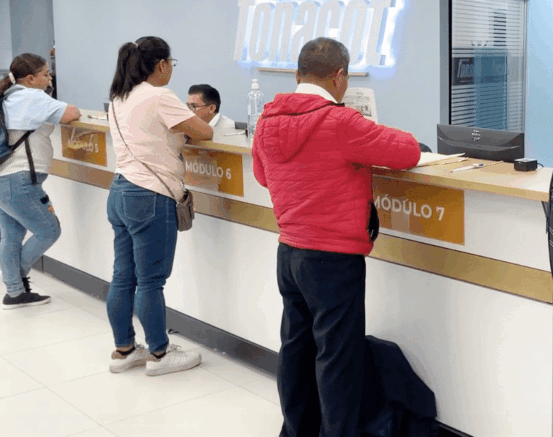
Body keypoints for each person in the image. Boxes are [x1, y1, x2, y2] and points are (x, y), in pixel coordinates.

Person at [252, 37, 420, 437]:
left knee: (296, 349)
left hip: (289, 251)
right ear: (339, 76)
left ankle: (296, 431)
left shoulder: (267, 121)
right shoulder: (341, 122)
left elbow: (262, 176)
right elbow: (408, 151)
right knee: (338, 358)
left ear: (298, 75)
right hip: (333, 258)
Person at [105, 36, 213, 376]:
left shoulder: (119, 97)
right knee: (151, 281)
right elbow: (205, 132)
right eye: (171, 64)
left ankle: (124, 350)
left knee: (123, 277)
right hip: (150, 196)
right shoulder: (159, 96)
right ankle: (160, 354)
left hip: (120, 191)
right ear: (162, 65)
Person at [0, 53, 80, 309]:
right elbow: (71, 113)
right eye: (45, 74)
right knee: (49, 230)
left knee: (11, 237)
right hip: (19, 180)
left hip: (4, 180)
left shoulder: (7, 96)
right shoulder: (31, 96)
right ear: (30, 78)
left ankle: (15, 292)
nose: (49, 78)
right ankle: (16, 278)